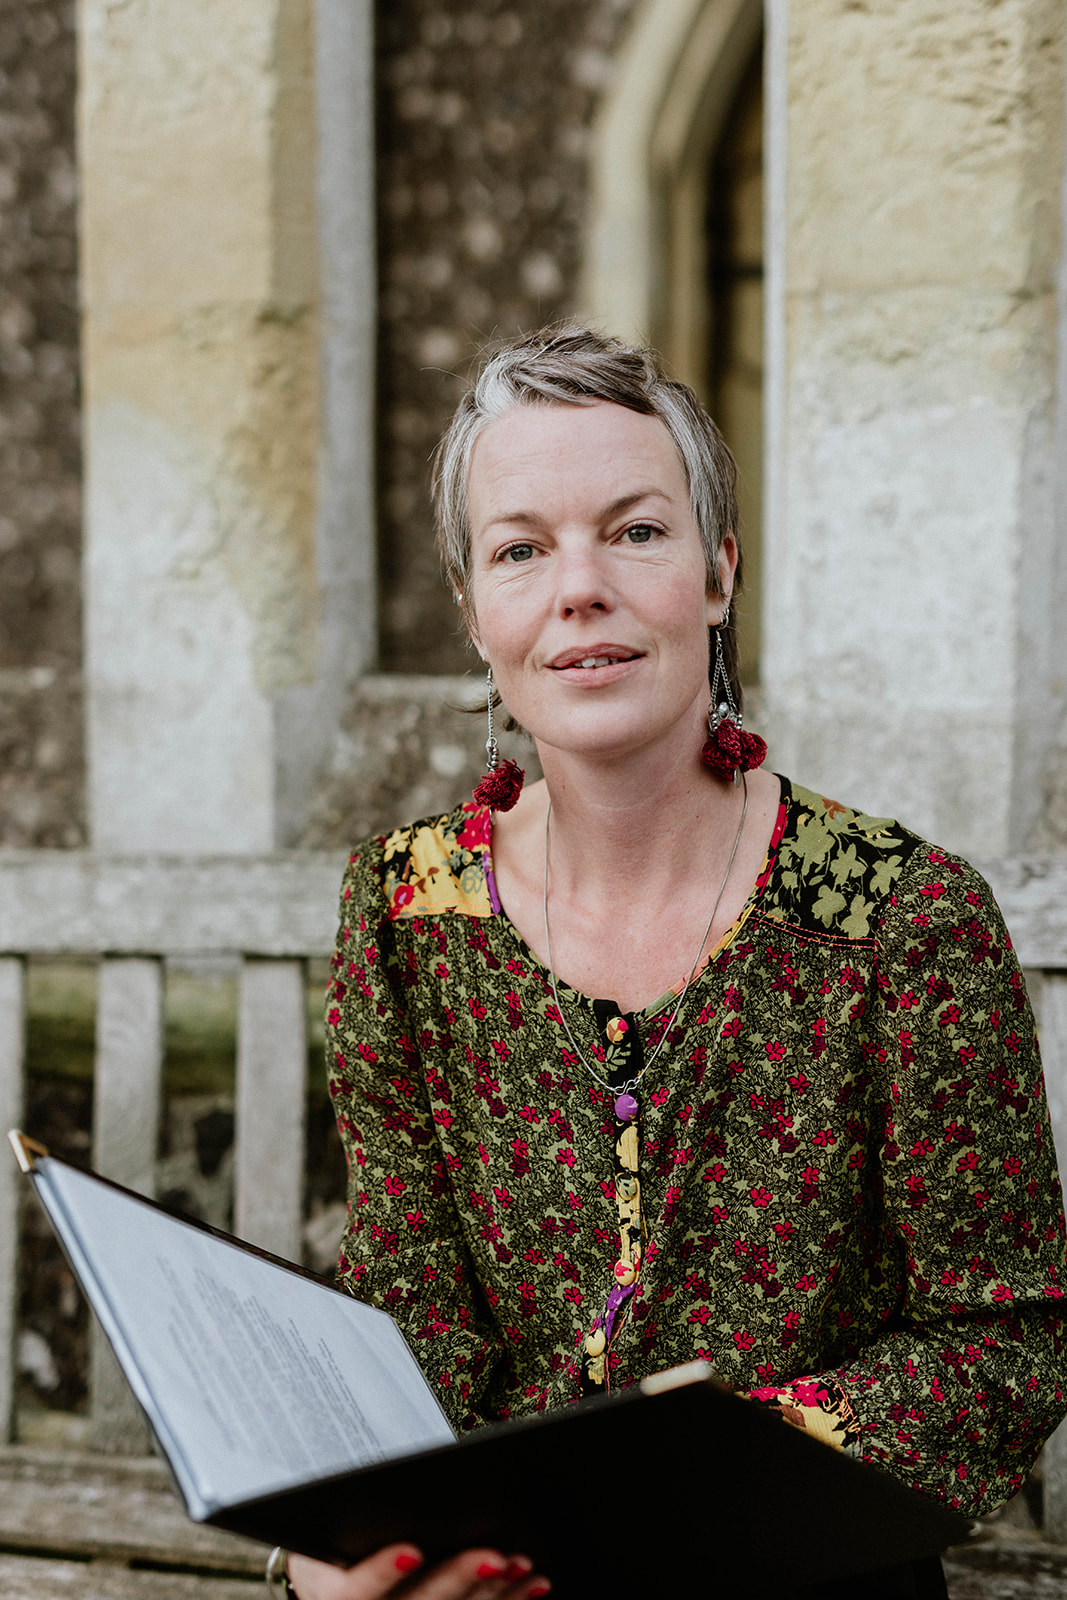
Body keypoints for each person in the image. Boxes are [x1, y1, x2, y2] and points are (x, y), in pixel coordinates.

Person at [284, 327, 1067, 1600]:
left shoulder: (903, 919)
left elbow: (1004, 1336)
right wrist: (350, 1528)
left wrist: (722, 1470)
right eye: (520, 549)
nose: (576, 587)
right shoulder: (404, 906)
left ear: (716, 574)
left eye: (634, 531)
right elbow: (409, 1282)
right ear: (476, 611)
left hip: (795, 1564)